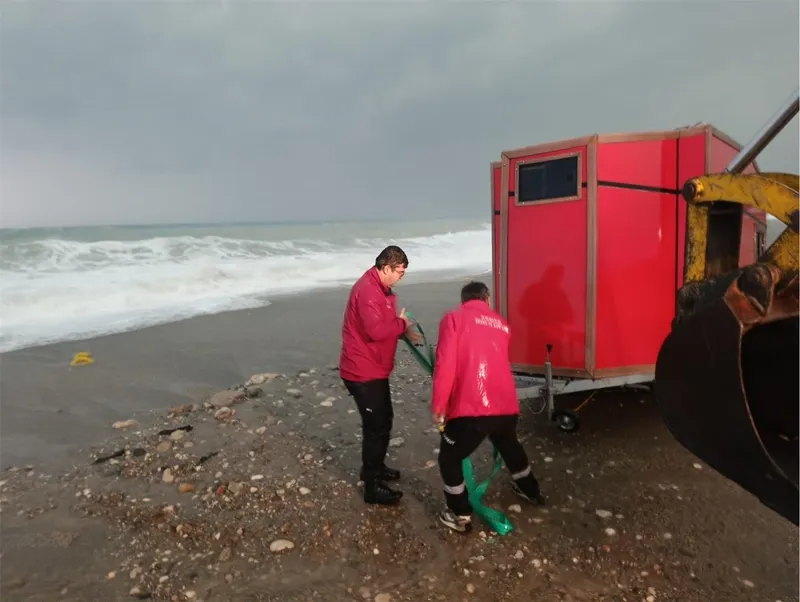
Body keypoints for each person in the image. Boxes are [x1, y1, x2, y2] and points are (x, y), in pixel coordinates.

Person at [431, 280, 545, 532]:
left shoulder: (454, 319)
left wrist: (439, 404)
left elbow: (445, 364)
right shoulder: (501, 324)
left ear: (464, 301)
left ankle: (460, 514)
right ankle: (531, 491)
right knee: (509, 444)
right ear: (487, 299)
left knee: (449, 458)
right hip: (505, 406)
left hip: (473, 409)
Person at [340, 245, 422, 505]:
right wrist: (402, 324)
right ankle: (372, 486)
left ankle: (375, 467)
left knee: (384, 419)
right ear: (386, 268)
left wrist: (402, 329)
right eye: (400, 272)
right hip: (362, 370)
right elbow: (376, 331)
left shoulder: (380, 288)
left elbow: (383, 324)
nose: (401, 277)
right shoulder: (367, 291)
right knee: (375, 427)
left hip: (375, 367)